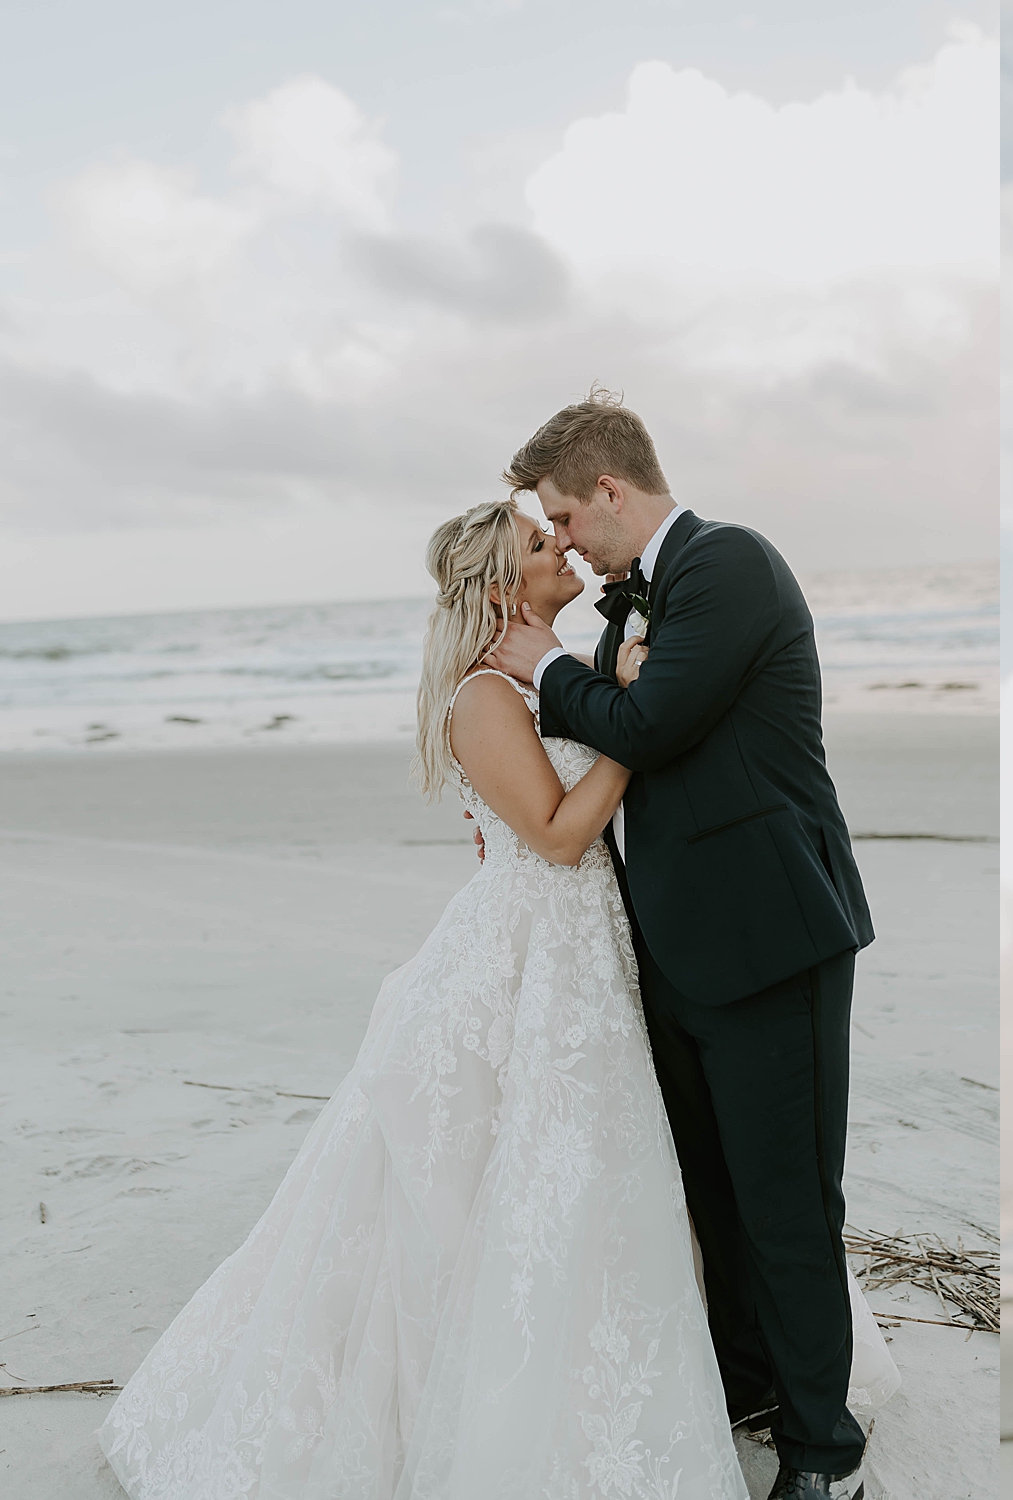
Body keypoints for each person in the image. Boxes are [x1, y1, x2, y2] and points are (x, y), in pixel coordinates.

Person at [100, 499, 756, 1496]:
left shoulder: (540, 680)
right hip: (528, 951)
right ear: (500, 589)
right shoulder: (485, 696)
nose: (560, 550)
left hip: (584, 947)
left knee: (586, 1164)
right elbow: (556, 834)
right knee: (505, 1174)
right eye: (539, 548)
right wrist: (634, 725)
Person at [482, 391, 882, 1500]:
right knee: (715, 1197)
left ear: (609, 489)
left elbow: (647, 726)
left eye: (563, 516)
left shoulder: (726, 566)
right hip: (673, 947)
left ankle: (824, 1459)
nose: (559, 538)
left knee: (790, 1205)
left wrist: (541, 666)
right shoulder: (633, 602)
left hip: (769, 937)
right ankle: (750, 1387)